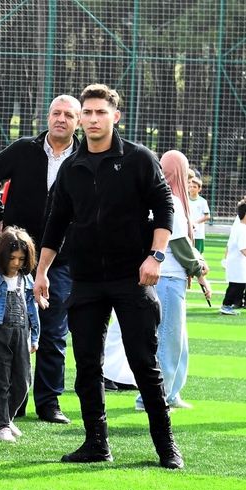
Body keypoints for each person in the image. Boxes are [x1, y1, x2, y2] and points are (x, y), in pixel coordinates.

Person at [35, 84, 184, 469]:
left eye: (101, 112)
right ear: (81, 119)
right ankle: (96, 444)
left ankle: (167, 448)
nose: (93, 119)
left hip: (132, 278)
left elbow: (164, 209)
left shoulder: (139, 158)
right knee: (86, 366)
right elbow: (56, 223)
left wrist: (155, 256)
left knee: (143, 365)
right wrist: (42, 271)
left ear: (115, 116)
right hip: (85, 280)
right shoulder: (72, 167)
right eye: (88, 113)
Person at [0, 94, 81, 424]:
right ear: (47, 117)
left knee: (52, 330)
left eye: (68, 114)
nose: (60, 119)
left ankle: (49, 404)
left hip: (62, 258)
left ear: (77, 121)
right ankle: (10, 403)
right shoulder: (24, 149)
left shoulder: (86, 157)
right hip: (17, 258)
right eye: (55, 113)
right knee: (9, 330)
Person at [132, 150, 209, 411]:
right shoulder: (172, 201)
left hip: (170, 278)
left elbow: (183, 242)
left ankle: (171, 392)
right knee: (166, 340)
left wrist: (197, 263)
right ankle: (152, 398)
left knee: (178, 341)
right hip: (168, 278)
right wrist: (198, 268)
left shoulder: (166, 198)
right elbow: (177, 243)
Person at [0, 226, 40, 442]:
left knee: (23, 381)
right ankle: (2, 424)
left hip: (21, 333)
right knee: (2, 380)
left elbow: (32, 310)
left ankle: (4, 417)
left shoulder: (26, 280)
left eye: (21, 258)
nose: (16, 263)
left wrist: (35, 336)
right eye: (12, 258)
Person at [220, 198, 246, 315]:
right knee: (237, 285)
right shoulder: (242, 229)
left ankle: (228, 305)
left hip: (236, 262)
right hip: (237, 263)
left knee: (236, 284)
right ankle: (226, 305)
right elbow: (243, 248)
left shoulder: (239, 227)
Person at [188, 175, 210, 254]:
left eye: (194, 187)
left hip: (198, 234)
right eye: (190, 186)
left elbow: (207, 216)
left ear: (199, 189)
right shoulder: (185, 200)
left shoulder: (202, 201)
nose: (192, 188)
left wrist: (196, 223)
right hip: (187, 232)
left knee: (198, 255)